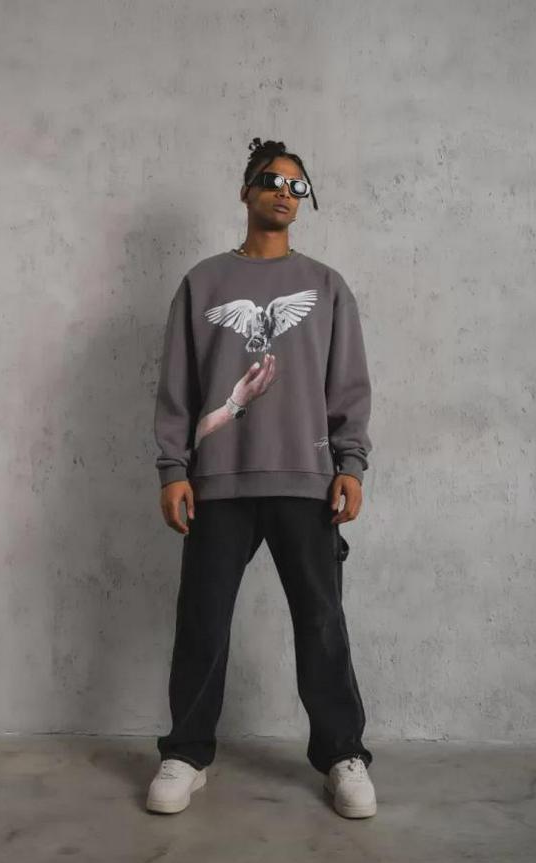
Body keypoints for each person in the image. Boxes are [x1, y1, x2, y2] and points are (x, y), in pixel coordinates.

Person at [146, 137, 376, 819]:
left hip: (308, 480)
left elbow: (347, 385)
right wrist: (173, 468)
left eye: (297, 186)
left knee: (322, 623)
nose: (285, 192)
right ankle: (187, 753)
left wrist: (351, 465)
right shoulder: (203, 283)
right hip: (218, 481)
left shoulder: (327, 286)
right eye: (272, 180)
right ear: (246, 190)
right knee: (202, 621)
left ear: (305, 201)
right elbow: (178, 385)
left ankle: (343, 754)